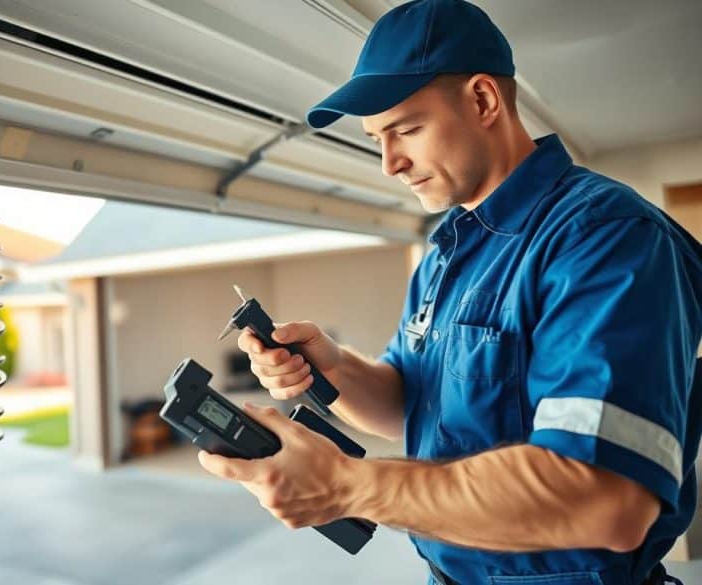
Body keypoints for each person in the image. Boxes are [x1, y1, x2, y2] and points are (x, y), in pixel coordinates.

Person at [195, 1, 702, 584]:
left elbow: (607, 501)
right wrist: (330, 365)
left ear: (484, 100)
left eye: (407, 129)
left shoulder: (605, 237)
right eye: (376, 139)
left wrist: (344, 486)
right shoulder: (446, 250)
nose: (390, 164)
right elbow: (410, 405)